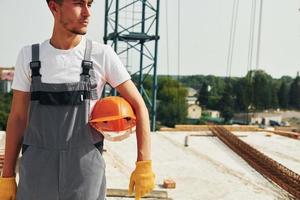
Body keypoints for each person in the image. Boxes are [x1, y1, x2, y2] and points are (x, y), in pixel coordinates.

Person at [0, 0, 155, 199]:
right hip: (37, 172)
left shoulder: (101, 55)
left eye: (89, 4)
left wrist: (144, 163)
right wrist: (7, 176)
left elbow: (139, 105)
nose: (87, 13)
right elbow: (18, 118)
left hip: (85, 172)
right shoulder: (29, 57)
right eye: (78, 4)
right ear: (54, 7)